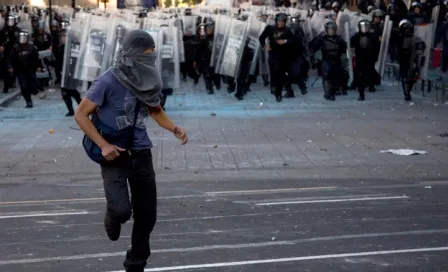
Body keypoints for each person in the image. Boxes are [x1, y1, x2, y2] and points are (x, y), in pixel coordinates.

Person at [74, 30, 188, 272]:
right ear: (131, 54)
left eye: (153, 53)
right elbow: (81, 114)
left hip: (141, 153)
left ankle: (135, 263)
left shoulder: (147, 79)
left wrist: (174, 128)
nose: (151, 58)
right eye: (146, 54)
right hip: (114, 154)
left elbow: (155, 111)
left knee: (147, 217)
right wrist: (103, 146)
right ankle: (113, 214)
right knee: (122, 211)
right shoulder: (106, 81)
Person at [309, 20, 347, 101]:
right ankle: (327, 93)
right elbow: (313, 47)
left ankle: (333, 92)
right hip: (326, 60)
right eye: (329, 29)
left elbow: (344, 48)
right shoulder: (322, 39)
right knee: (326, 76)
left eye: (332, 29)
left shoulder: (339, 39)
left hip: (337, 60)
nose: (331, 31)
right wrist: (313, 58)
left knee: (336, 78)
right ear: (326, 30)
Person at [8, 31, 41, 108]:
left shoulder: (32, 47)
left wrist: (39, 66)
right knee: (23, 86)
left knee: (34, 86)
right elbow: (10, 58)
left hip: (30, 70)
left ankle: (32, 91)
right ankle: (28, 101)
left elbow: (37, 58)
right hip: (20, 70)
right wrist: (10, 66)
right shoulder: (15, 48)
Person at [350, 20, 381, 100]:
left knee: (370, 71)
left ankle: (371, 85)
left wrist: (375, 56)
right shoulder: (357, 36)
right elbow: (351, 43)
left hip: (370, 57)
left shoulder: (373, 36)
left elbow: (377, 46)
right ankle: (360, 91)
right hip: (360, 57)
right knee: (359, 74)